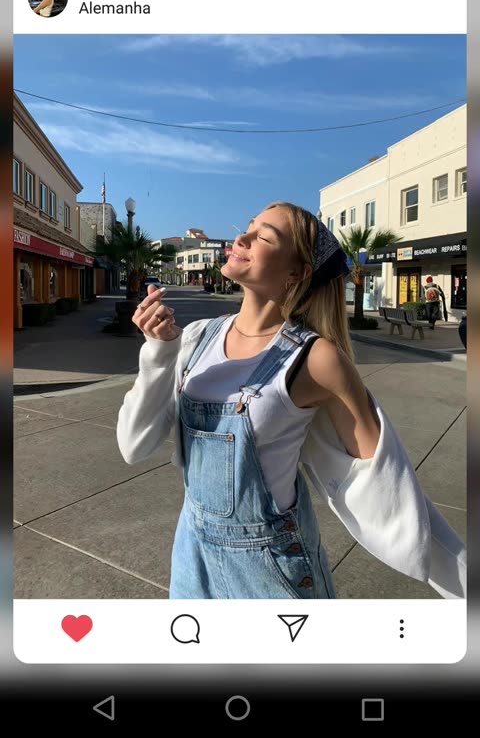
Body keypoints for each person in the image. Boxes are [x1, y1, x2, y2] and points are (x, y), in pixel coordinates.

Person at [117, 202, 465, 600]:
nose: (242, 238)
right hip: (191, 559)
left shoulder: (316, 359)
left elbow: (390, 488)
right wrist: (159, 351)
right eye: (248, 227)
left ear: (296, 273)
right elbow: (134, 446)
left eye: (264, 237)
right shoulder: (196, 338)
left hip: (271, 573)